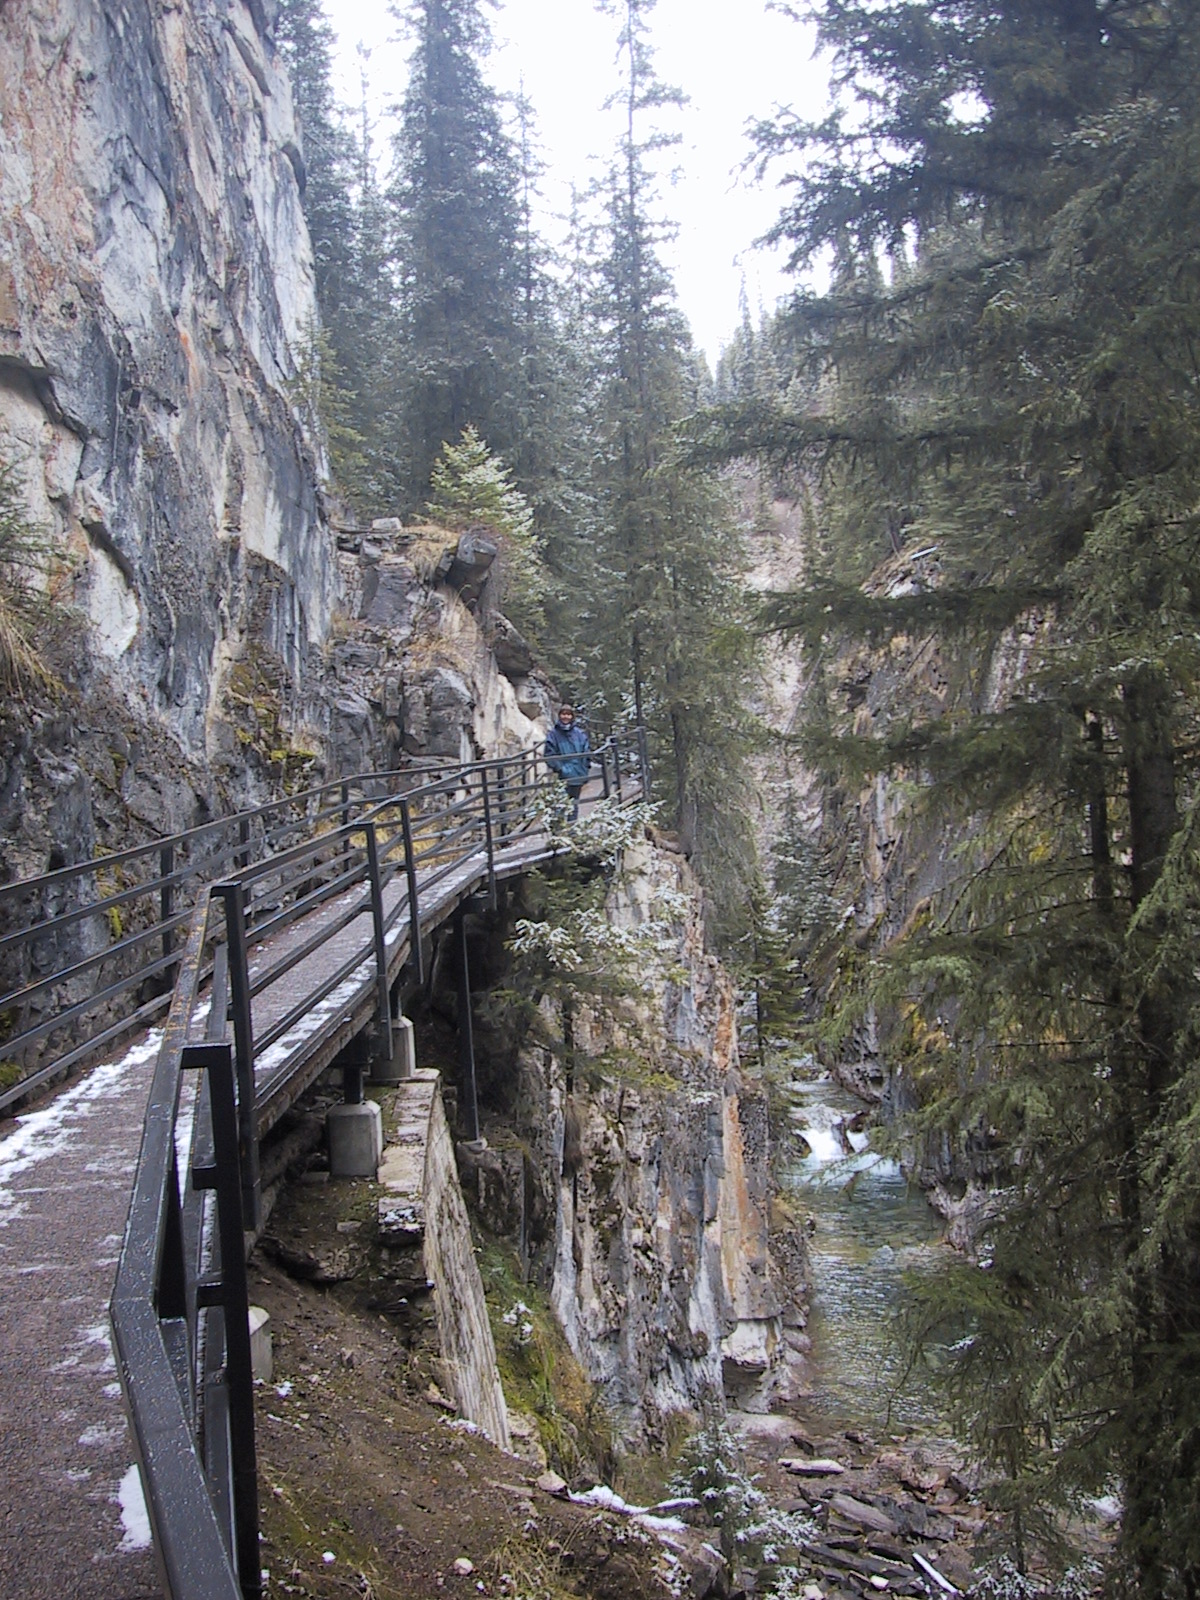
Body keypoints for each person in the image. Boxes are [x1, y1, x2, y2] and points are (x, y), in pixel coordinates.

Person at [544, 704, 591, 820]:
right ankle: (561, 826)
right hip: (563, 775)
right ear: (559, 715)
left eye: (568, 714)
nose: (566, 717)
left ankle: (571, 826)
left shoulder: (579, 734)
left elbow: (587, 752)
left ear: (572, 716)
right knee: (561, 803)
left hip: (578, 774)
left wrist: (585, 767)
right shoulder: (553, 735)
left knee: (574, 803)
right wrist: (560, 769)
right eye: (563, 714)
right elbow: (549, 754)